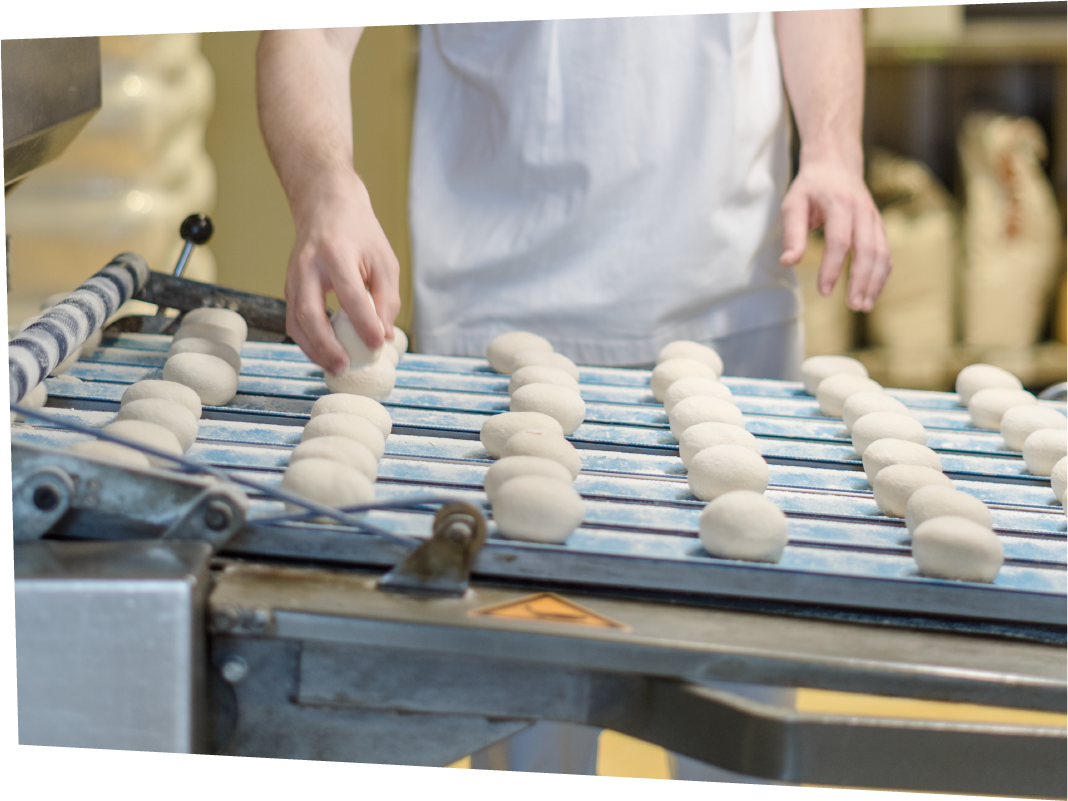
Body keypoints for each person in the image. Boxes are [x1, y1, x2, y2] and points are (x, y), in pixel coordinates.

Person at [257, 10, 890, 780]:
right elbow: (313, 30)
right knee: (525, 736)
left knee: (742, 741)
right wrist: (324, 183)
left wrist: (832, 146)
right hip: (499, 344)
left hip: (728, 316)